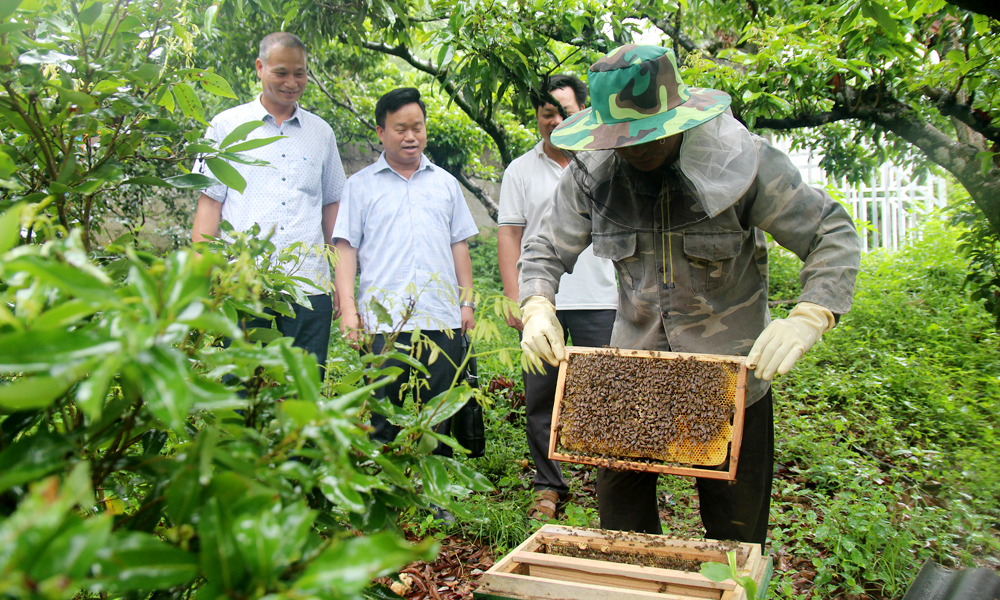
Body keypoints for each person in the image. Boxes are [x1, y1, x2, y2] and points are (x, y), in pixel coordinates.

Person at [516, 44, 861, 544]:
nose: (638, 147)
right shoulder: (592, 173)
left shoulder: (744, 162)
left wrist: (810, 314)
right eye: (624, 138)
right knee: (623, 536)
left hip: (732, 378)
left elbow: (830, 232)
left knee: (736, 539)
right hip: (631, 376)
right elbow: (545, 245)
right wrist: (537, 305)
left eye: (650, 133)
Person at [333, 87, 478, 465]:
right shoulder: (359, 186)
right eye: (400, 128)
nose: (411, 136)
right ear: (381, 132)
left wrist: (467, 302)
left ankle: (438, 493)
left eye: (417, 127)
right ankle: (387, 489)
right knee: (385, 412)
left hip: (441, 317)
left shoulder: (446, 183)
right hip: (385, 322)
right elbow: (345, 251)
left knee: (439, 413)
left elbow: (458, 246)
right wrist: (349, 311)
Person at [497, 74, 618, 521]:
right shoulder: (520, 171)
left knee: (605, 395)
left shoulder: (607, 159)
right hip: (542, 303)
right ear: (537, 117)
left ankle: (611, 482)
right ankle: (549, 484)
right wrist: (518, 298)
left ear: (583, 111)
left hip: (601, 300)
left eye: (565, 111)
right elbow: (511, 234)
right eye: (547, 112)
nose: (556, 120)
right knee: (542, 395)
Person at [191, 32, 346, 378]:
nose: (292, 83)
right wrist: (200, 278)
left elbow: (332, 207)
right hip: (242, 284)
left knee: (301, 389)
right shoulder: (225, 126)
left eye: (300, 73)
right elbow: (210, 205)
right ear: (259, 68)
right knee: (239, 386)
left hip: (308, 286)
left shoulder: (322, 133)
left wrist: (341, 278)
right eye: (281, 73)